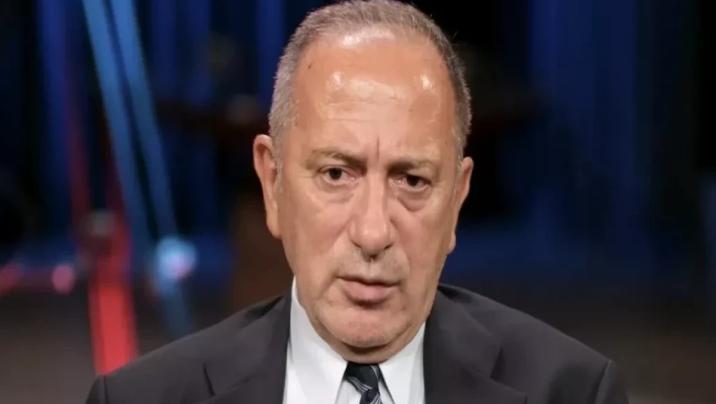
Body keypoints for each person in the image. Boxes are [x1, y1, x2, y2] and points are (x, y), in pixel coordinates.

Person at [86, 1, 629, 403]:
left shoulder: (572, 393)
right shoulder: (140, 400)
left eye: (412, 180)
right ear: (272, 183)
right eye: (336, 174)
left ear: (457, 199)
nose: (373, 233)